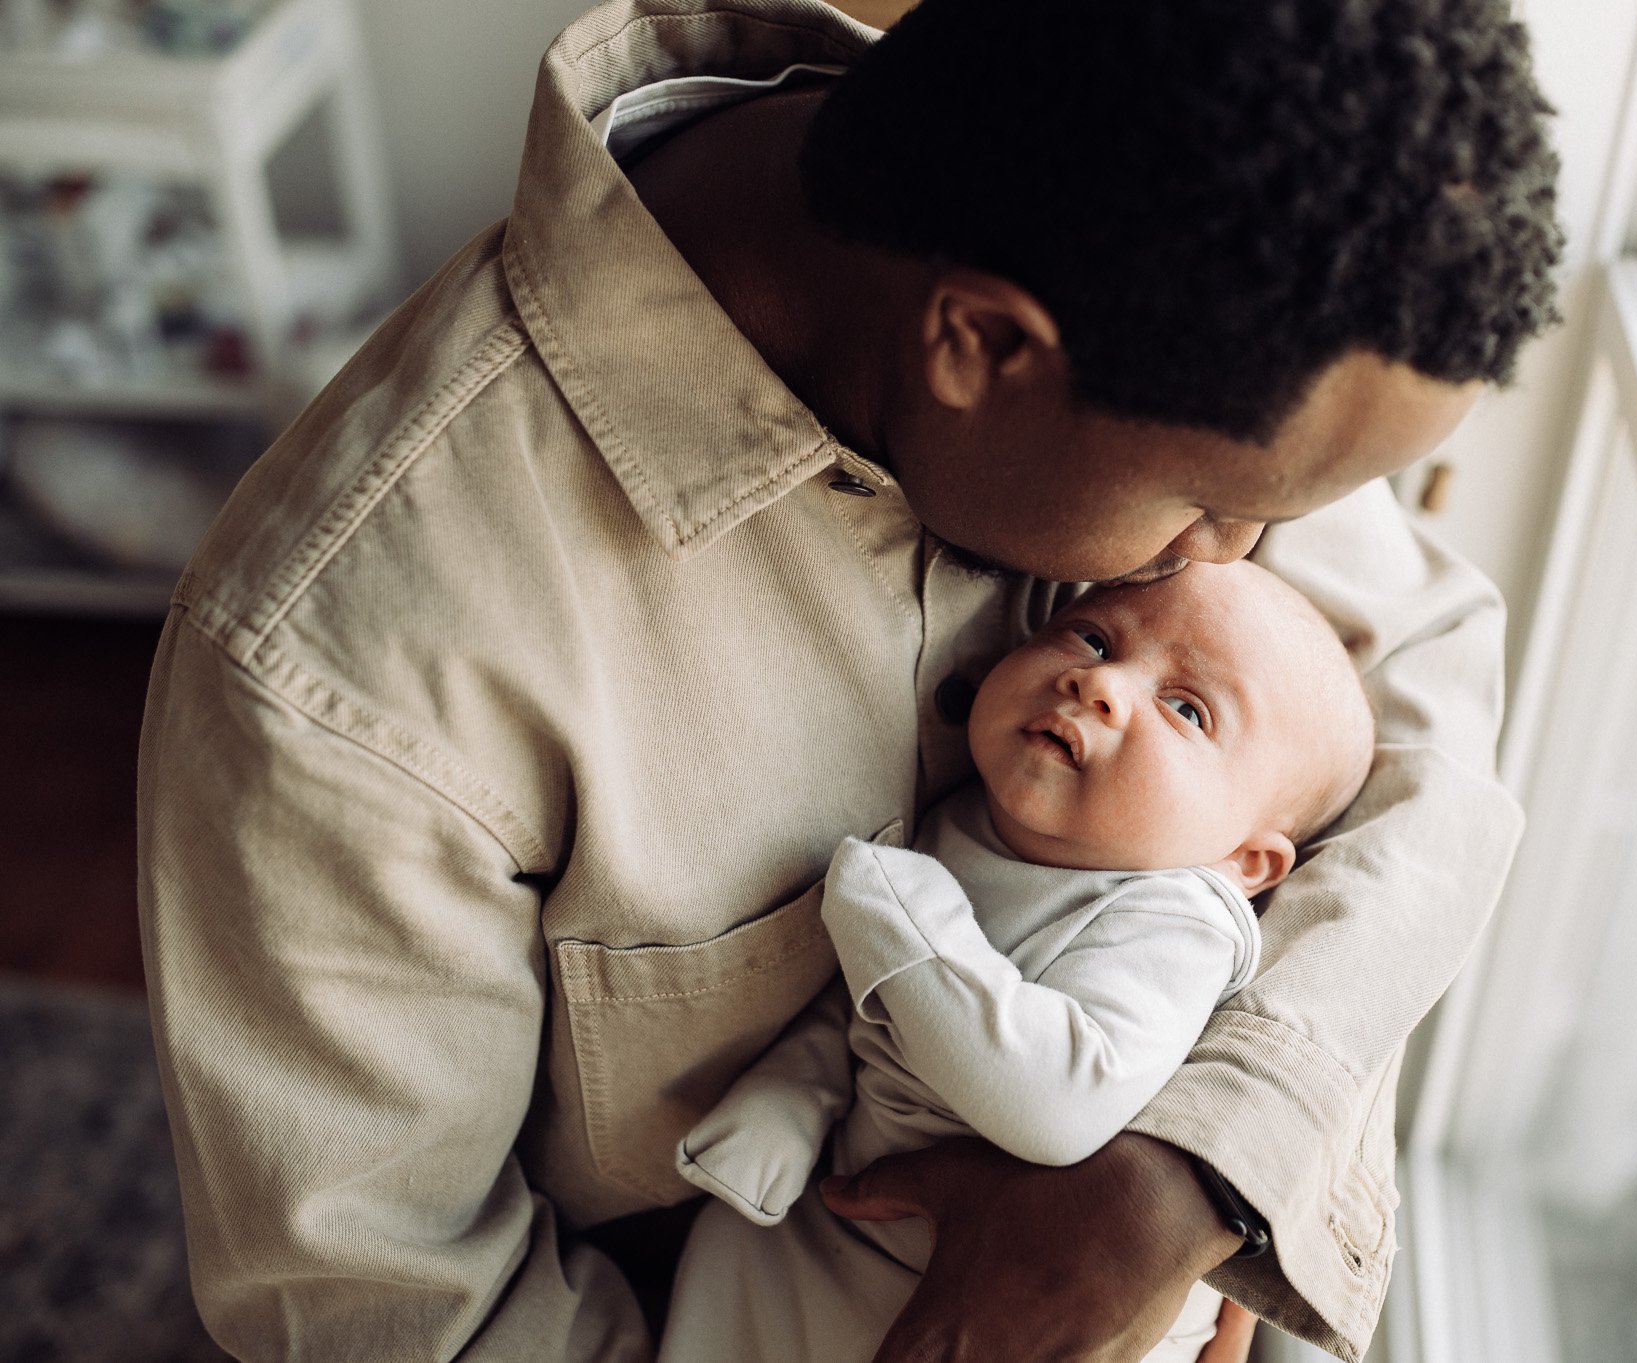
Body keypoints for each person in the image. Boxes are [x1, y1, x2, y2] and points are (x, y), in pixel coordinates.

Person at [134, 0, 1563, 1359]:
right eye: (1214, 512)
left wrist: (1189, 1171)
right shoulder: (343, 677)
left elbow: (1426, 720)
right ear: (981, 344)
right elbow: (401, 1311)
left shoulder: (1204, 282)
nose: (1248, 558)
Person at [663, 561, 1376, 1363]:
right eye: (1092, 634)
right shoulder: (974, 819)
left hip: (1022, 1302)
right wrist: (796, 1094)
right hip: (849, 1237)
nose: (1100, 682)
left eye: (1186, 709)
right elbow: (864, 1006)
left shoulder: (1178, 917)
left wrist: (907, 922)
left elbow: (1061, 1096)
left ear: (1245, 861)